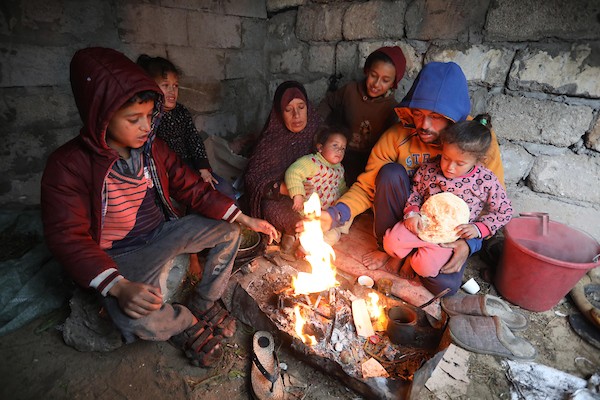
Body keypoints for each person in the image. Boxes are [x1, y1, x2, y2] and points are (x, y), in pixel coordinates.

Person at [41, 47, 278, 368]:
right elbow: (67, 238)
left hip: (163, 233)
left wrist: (244, 217)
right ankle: (183, 324)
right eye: (133, 119)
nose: (145, 127)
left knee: (229, 233)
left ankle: (204, 300)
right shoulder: (68, 166)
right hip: (120, 256)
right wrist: (119, 286)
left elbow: (189, 185)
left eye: (149, 116)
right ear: (101, 115)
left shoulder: (151, 148)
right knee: (133, 319)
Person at [318, 62, 505, 296]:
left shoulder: (478, 142)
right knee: (390, 173)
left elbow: (493, 205)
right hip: (407, 219)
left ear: (454, 118)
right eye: (418, 113)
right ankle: (388, 249)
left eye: (435, 117)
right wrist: (335, 214)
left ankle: (412, 257)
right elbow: (366, 187)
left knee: (445, 288)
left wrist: (469, 244)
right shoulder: (397, 136)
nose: (424, 125)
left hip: (449, 233)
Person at [383, 115, 513, 281]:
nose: (449, 168)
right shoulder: (430, 168)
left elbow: (504, 211)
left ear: (478, 161)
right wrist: (412, 213)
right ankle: (401, 254)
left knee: (425, 268)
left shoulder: (486, 181)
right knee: (391, 243)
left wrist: (480, 228)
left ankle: (411, 258)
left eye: (459, 164)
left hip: (451, 236)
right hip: (422, 224)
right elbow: (415, 192)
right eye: (446, 158)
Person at [136, 54, 236, 200]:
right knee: (199, 195)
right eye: (165, 85)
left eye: (175, 86)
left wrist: (203, 168)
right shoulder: (149, 117)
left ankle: (235, 220)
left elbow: (193, 139)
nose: (172, 91)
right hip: (167, 172)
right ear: (149, 86)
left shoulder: (181, 112)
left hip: (190, 166)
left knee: (223, 187)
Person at [244, 81, 322, 260]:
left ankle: (299, 234)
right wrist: (283, 189)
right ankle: (298, 230)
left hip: (315, 196)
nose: (297, 115)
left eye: (301, 107)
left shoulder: (318, 130)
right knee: (270, 208)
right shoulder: (271, 140)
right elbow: (252, 178)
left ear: (308, 107)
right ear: (280, 113)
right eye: (289, 110)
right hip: (283, 200)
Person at [317, 46, 406, 184]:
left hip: (371, 162)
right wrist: (319, 127)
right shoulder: (350, 91)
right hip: (342, 155)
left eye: (385, 80)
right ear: (366, 70)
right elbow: (328, 102)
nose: (376, 84)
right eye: (373, 75)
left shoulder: (391, 108)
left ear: (394, 83)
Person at [284, 124, 350, 245]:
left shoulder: (340, 169)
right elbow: (293, 172)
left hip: (328, 213)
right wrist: (297, 194)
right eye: (335, 145)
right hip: (309, 213)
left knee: (335, 233)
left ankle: (311, 246)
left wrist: (347, 201)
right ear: (320, 147)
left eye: (343, 148)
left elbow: (342, 188)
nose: (339, 150)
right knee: (299, 225)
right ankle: (298, 241)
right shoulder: (312, 162)